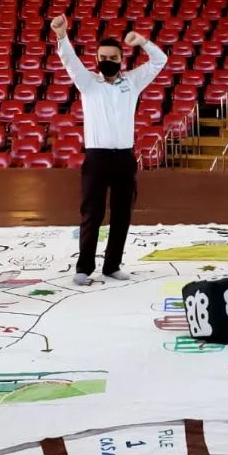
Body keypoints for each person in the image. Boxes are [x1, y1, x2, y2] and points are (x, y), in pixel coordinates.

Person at [52, 15, 167, 285]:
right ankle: (84, 268)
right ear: (97, 59)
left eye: (113, 57)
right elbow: (69, 60)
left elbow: (160, 61)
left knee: (122, 212)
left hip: (124, 158)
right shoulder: (88, 83)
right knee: (92, 211)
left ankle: (112, 264)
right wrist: (61, 35)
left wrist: (143, 42)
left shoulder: (133, 81)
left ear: (121, 59)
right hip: (97, 157)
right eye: (103, 56)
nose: (108, 61)